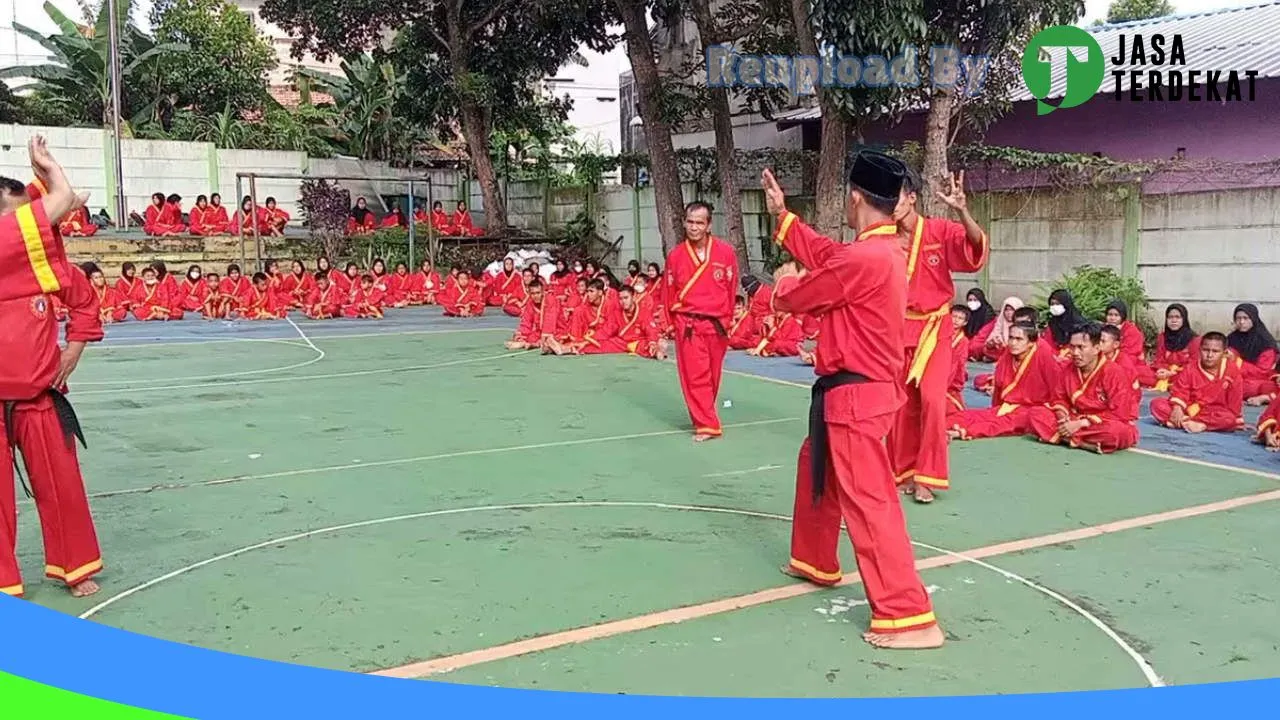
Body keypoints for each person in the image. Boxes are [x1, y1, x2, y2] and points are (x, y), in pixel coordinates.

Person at [763, 154, 942, 649]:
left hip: (856, 396)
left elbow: (804, 292)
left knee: (870, 501)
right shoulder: (879, 252)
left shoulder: (863, 259)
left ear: (856, 198)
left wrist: (780, 284)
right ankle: (815, 559)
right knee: (815, 468)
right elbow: (825, 254)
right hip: (856, 392)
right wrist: (784, 217)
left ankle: (910, 616)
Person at [0, 134, 105, 599]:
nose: (31, 224)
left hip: (39, 399)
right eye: (18, 216)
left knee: (61, 489)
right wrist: (48, 168)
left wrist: (74, 349)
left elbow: (84, 303)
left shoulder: (42, 268)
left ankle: (74, 567)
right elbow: (63, 200)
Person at [889, 167, 989, 504]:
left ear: (912, 198)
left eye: (896, 197)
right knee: (901, 405)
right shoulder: (883, 238)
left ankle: (927, 476)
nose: (891, 205)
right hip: (897, 329)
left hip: (934, 328)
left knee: (933, 400)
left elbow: (974, 248)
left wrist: (962, 210)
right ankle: (903, 471)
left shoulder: (938, 230)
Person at [663, 201, 739, 442]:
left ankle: (705, 412)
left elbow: (730, 287)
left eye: (699, 223)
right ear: (684, 222)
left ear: (708, 225)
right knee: (696, 376)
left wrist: (727, 319)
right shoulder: (676, 256)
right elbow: (668, 292)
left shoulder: (725, 253)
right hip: (689, 325)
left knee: (712, 375)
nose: (693, 227)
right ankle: (707, 424)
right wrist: (668, 323)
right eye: (690, 222)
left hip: (717, 324)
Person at [1025, 322, 1140, 454]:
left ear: (1097, 348)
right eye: (1072, 347)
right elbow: (1059, 399)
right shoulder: (1068, 369)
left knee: (1114, 433)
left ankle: (1064, 438)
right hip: (1074, 418)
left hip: (1102, 423)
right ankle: (1080, 442)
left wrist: (1081, 423)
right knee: (1036, 413)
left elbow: (1120, 413)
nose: (1075, 353)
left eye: (1081, 347)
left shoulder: (1114, 372)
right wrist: (1063, 418)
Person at [950, 322, 1058, 440]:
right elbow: (999, 385)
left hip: (1029, 409)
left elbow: (1055, 389)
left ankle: (963, 432)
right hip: (1007, 406)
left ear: (1031, 343)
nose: (1013, 343)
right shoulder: (1008, 353)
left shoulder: (1043, 354)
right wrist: (995, 409)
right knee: (965, 416)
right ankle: (940, 426)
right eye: (1011, 338)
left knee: (999, 424)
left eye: (1018, 339)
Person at [1149, 332, 1243, 433]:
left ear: (1224, 353)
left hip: (1214, 414)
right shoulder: (1190, 368)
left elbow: (1234, 405)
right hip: (1189, 409)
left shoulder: (1232, 371)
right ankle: (1194, 424)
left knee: (1229, 419)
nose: (1209, 355)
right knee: (1157, 404)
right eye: (1206, 350)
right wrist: (1177, 407)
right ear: (1199, 350)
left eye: (1215, 351)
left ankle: (1189, 423)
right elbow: (1180, 390)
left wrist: (1231, 419)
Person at [1226, 303, 1278, 404]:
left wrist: (1237, 362)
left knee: (1256, 387)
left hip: (1257, 380)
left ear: (1253, 319)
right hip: (1234, 376)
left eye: (1246, 318)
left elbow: (1263, 372)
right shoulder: (1232, 338)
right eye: (1238, 318)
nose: (1241, 322)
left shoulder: (1265, 341)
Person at [1148, 303, 1199, 392]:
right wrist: (1162, 370)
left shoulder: (1195, 339)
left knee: (1192, 378)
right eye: (1170, 317)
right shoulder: (1162, 337)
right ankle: (1172, 385)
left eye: (1177, 317)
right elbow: (1159, 359)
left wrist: (1172, 373)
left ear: (1184, 319)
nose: (1173, 320)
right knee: (1138, 372)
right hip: (1164, 373)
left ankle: (1175, 386)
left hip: (1183, 374)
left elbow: (1193, 364)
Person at [505, 279, 561, 351]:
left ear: (543, 292)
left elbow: (550, 321)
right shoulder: (530, 303)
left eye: (538, 293)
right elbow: (526, 321)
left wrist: (543, 337)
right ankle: (529, 343)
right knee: (528, 337)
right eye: (533, 293)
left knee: (552, 339)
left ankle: (536, 344)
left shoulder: (550, 300)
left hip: (556, 330)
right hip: (540, 332)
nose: (535, 296)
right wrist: (520, 334)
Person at [1041, 289, 1087, 362]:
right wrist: (1056, 357)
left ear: (1066, 304)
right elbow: (1047, 346)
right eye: (1052, 304)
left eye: (1057, 304)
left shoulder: (1081, 325)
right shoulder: (1052, 324)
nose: (1054, 307)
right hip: (1055, 361)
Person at [978, 296, 1024, 362]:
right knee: (987, 349)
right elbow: (993, 336)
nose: (1009, 313)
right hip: (1001, 349)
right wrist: (993, 342)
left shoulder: (1023, 323)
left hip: (1016, 349)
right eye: (1006, 310)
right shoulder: (1001, 321)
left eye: (1012, 310)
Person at [962, 288, 997, 360]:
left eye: (975, 300)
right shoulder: (967, 312)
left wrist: (967, 345)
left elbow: (982, 336)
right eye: (970, 300)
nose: (972, 302)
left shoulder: (988, 314)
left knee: (975, 347)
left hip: (981, 341)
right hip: (968, 341)